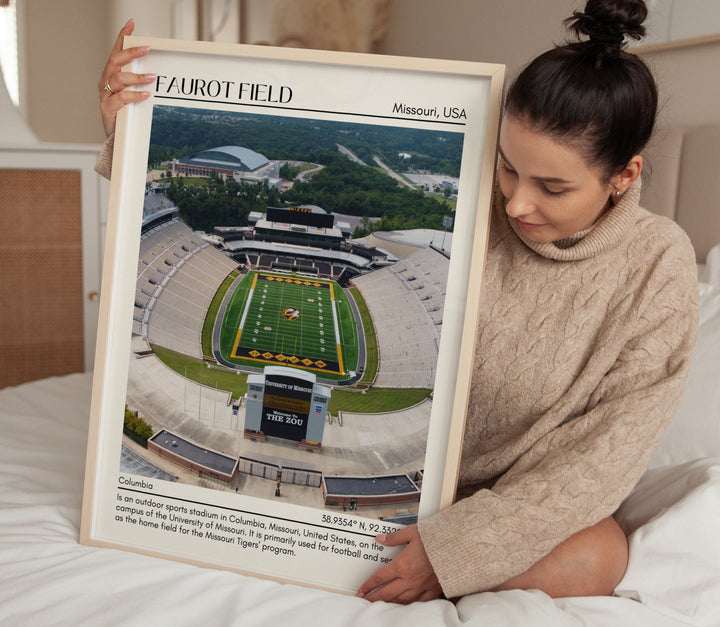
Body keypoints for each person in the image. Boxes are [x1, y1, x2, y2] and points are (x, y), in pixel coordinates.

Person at [97, 0, 698, 604]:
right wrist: (129, 130)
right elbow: (150, 211)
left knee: (599, 556)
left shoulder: (656, 264)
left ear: (624, 175)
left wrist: (460, 548)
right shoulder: (474, 209)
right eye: (509, 169)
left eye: (553, 187)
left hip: (514, 505)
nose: (516, 204)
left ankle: (398, 565)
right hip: (408, 487)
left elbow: (606, 459)